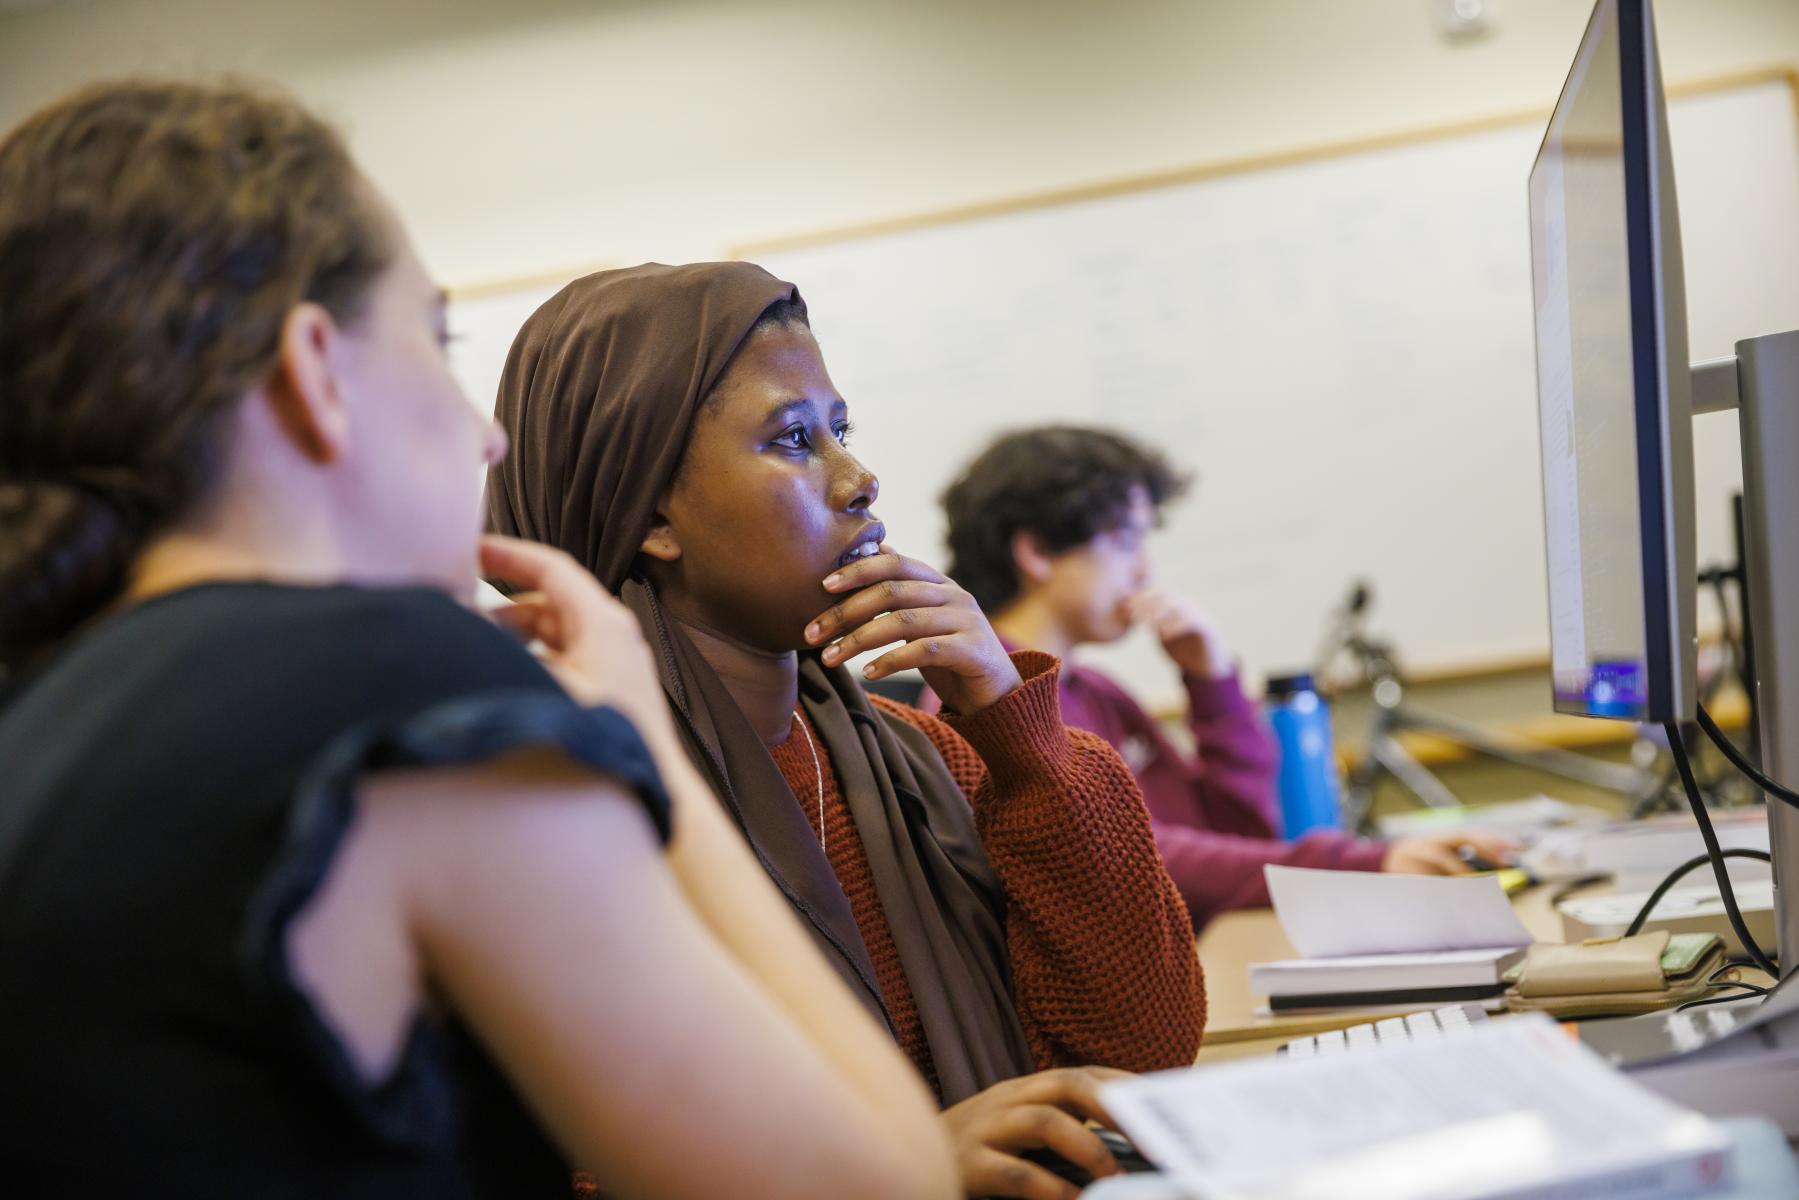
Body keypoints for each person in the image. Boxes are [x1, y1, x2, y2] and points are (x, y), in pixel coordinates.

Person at [0, 81, 955, 1199]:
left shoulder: (42, 714)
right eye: (433, 339)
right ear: (315, 371)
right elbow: (884, 1182)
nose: (486, 433)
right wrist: (635, 737)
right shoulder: (393, 690)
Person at [489, 263, 1206, 1200]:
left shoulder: (918, 756)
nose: (860, 480)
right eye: (794, 440)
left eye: (843, 430)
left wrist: (1014, 732)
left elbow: (1140, 1056)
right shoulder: (554, 808)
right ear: (652, 512)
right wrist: (886, 1171)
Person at [937, 426, 1518, 931]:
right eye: (1125, 540)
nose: (1145, 569)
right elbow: (1128, 856)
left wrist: (1210, 681)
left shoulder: (1097, 692)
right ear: (1037, 551)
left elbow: (1237, 827)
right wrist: (1361, 865)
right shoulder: (985, 702)